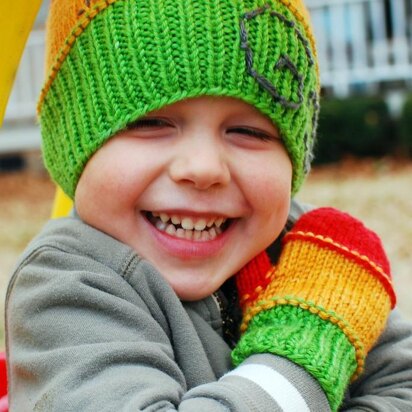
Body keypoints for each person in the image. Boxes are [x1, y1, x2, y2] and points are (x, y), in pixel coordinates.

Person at [5, 0, 412, 410]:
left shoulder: (312, 258)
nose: (203, 168)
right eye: (151, 123)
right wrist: (303, 353)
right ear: (72, 149)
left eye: (247, 131)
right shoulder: (64, 288)